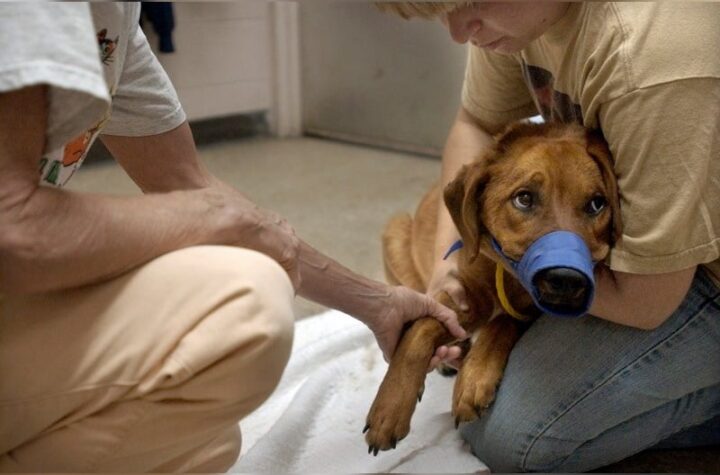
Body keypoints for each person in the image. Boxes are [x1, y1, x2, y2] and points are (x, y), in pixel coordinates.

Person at [0, 3, 466, 472]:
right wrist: (205, 216)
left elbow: (188, 181)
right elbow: (13, 228)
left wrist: (378, 302)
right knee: (244, 302)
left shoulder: (114, 15)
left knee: (204, 447)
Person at [380, 1, 720, 472]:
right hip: (657, 254)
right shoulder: (511, 19)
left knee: (513, 440)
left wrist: (518, 276)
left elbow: (646, 301)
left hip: (699, 271)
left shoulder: (651, 62)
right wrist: (448, 261)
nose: (459, 32)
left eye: (472, 0)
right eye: (446, 8)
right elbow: (475, 122)